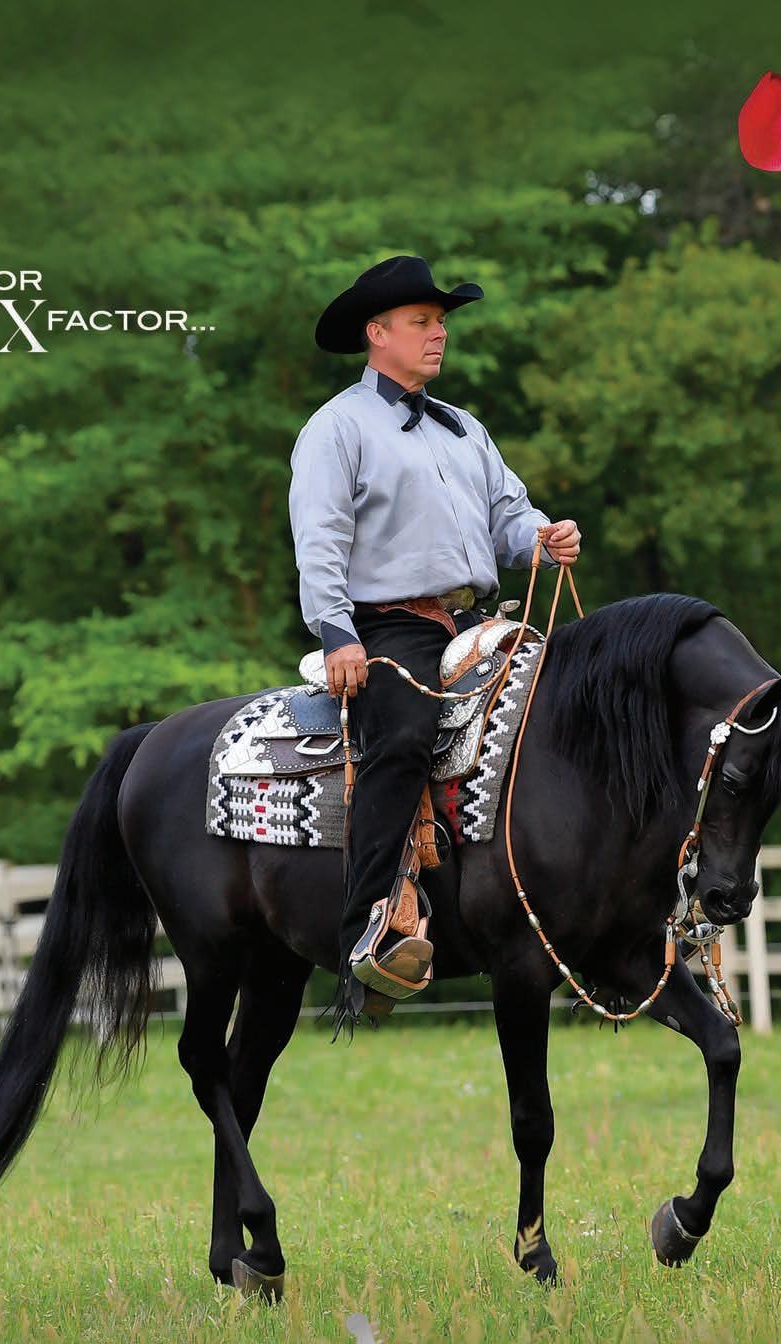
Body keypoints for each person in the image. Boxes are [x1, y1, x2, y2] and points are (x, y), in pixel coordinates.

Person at [288, 254, 581, 1036]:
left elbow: (508, 517)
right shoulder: (337, 427)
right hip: (386, 625)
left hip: (474, 619)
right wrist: (337, 631)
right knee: (404, 736)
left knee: (564, 710)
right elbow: (320, 536)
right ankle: (369, 930)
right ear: (376, 333)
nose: (438, 333)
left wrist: (542, 537)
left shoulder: (464, 428)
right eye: (421, 321)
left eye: (440, 321)